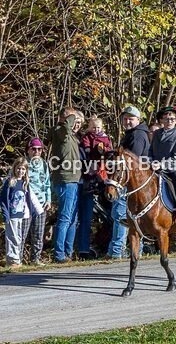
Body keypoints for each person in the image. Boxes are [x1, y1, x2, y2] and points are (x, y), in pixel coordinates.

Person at [110, 106, 150, 259]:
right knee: (124, 215)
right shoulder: (132, 134)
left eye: (131, 119)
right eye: (125, 118)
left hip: (130, 182)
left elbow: (134, 160)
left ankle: (117, 251)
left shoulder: (137, 135)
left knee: (120, 215)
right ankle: (129, 250)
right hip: (129, 181)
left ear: (138, 120)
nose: (127, 121)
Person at [48, 108, 84, 263]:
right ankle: (59, 254)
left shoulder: (72, 136)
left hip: (75, 180)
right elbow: (64, 129)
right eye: (73, 120)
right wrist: (71, 117)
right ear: (65, 118)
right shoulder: (60, 132)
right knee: (65, 217)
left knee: (72, 219)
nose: (75, 124)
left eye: (78, 122)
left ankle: (68, 253)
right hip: (66, 180)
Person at [76, 116, 114, 259]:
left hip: (102, 165)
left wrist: (106, 151)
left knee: (108, 213)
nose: (96, 130)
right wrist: (88, 151)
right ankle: (84, 247)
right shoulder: (87, 137)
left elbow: (109, 148)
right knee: (85, 216)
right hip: (90, 168)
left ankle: (104, 243)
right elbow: (86, 148)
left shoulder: (105, 137)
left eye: (98, 128)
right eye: (94, 127)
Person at [1, 158, 44, 268]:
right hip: (12, 215)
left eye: (23, 169)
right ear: (14, 168)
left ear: (26, 170)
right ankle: (12, 261)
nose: (20, 171)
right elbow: (4, 199)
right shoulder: (10, 181)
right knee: (12, 237)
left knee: (19, 238)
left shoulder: (25, 183)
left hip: (22, 215)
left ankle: (17, 261)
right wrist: (6, 215)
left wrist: (32, 212)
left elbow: (28, 199)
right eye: (18, 168)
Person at [25, 138, 51, 265]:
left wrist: (48, 200)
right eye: (33, 149)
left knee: (39, 233)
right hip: (26, 203)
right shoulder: (23, 164)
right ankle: (17, 260)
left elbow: (47, 184)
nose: (36, 152)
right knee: (23, 233)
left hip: (41, 203)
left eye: (39, 149)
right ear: (28, 150)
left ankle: (35, 259)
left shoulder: (44, 164)